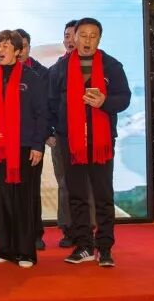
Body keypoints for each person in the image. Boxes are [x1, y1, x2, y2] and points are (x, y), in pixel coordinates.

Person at [48, 18, 131, 267]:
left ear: (99, 39)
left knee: (103, 195)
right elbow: (51, 103)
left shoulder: (111, 66)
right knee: (77, 195)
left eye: (93, 36)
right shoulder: (60, 68)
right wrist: (57, 130)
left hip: (101, 141)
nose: (87, 40)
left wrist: (104, 102)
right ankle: (83, 245)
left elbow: (124, 99)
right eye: (82, 35)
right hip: (71, 142)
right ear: (74, 38)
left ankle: (104, 248)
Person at [0, 30, 48, 268]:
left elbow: (42, 114)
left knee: (23, 201)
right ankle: (2, 249)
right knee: (0, 199)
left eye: (5, 46)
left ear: (18, 51)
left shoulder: (32, 78)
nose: (0, 50)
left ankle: (25, 253)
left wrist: (38, 145)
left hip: (24, 148)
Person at [47, 20, 81, 248]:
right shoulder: (56, 69)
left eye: (74, 35)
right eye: (66, 36)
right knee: (65, 184)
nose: (70, 40)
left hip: (88, 136)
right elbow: (48, 104)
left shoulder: (102, 66)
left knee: (87, 184)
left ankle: (87, 229)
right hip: (61, 136)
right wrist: (49, 132)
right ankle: (69, 229)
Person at [16, 28, 49, 251]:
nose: (19, 52)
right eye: (15, 47)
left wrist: (42, 140)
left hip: (32, 143)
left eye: (24, 46)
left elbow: (44, 110)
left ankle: (35, 233)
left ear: (29, 47)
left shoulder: (40, 73)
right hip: (9, 143)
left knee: (31, 190)